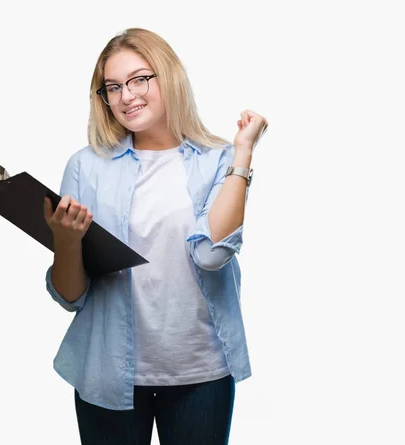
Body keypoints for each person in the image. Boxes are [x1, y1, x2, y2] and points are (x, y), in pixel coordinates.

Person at [42, 27, 268, 445]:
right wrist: (66, 242)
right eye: (113, 87)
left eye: (139, 79)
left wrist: (243, 154)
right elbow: (70, 296)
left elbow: (212, 256)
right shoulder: (85, 166)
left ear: (169, 77)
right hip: (106, 371)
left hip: (200, 373)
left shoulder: (216, 160)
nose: (127, 96)